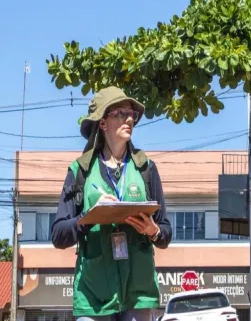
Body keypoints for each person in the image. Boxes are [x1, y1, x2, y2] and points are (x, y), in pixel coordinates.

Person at [51, 86, 172, 321]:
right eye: (120, 113)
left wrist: (153, 231)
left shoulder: (146, 169)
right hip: (93, 296)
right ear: (103, 123)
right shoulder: (80, 172)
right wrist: (90, 216)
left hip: (138, 293)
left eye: (131, 114)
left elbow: (166, 233)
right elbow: (58, 235)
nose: (129, 119)